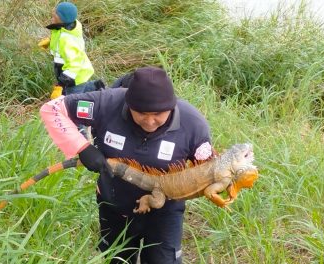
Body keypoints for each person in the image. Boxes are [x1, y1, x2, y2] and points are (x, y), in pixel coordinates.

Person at [40, 67, 214, 263]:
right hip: (113, 204)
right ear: (127, 102)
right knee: (117, 259)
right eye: (140, 113)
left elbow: (207, 168)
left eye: (158, 114)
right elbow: (53, 109)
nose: (149, 121)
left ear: (172, 106)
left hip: (165, 211)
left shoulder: (193, 124)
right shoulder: (106, 104)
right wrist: (82, 147)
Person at [38, 2, 103, 137]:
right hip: (80, 74)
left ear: (61, 18)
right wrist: (51, 42)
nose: (52, 13)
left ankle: (81, 133)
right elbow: (60, 35)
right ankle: (95, 87)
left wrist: (61, 84)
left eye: (55, 12)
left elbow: (74, 64)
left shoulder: (67, 40)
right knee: (79, 93)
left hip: (75, 77)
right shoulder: (68, 27)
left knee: (71, 105)